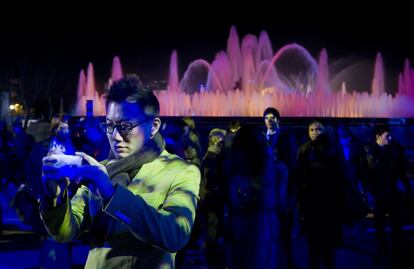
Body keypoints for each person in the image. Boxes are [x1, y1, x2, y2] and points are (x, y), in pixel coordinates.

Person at [39, 75, 201, 269]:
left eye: (125, 126)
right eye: (110, 125)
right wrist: (55, 198)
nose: (115, 136)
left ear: (154, 126)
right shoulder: (102, 168)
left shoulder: (181, 171)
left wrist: (110, 193)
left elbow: (176, 234)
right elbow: (65, 232)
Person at [296, 120, 344, 269]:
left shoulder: (333, 149)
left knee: (327, 248)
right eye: (312, 129)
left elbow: (341, 176)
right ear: (308, 132)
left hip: (328, 204)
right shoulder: (303, 149)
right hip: (311, 203)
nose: (315, 132)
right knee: (313, 246)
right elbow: (298, 175)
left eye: (318, 129)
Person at [364, 124, 412, 268]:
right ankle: (382, 251)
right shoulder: (370, 151)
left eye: (390, 135)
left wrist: (407, 187)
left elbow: (401, 171)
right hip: (379, 193)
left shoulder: (394, 150)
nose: (390, 138)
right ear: (378, 137)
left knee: (396, 223)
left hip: (392, 192)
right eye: (387, 136)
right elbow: (367, 174)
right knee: (380, 225)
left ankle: (397, 251)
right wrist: (371, 192)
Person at [262, 107, 296, 268]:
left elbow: (291, 162)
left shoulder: (286, 138)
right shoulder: (262, 138)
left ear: (277, 120)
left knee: (285, 229)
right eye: (267, 117)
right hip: (268, 188)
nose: (269, 120)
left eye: (272, 117)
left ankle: (287, 261)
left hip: (283, 187)